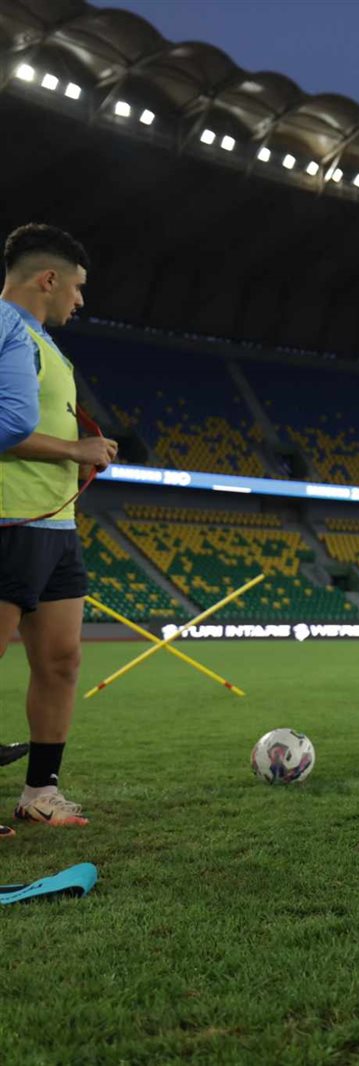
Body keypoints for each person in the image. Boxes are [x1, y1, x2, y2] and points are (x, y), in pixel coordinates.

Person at [0, 224, 116, 832]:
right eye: (77, 287)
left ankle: (40, 792)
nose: (80, 299)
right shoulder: (3, 326)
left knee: (63, 660)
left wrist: (80, 453)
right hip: (7, 517)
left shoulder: (43, 343)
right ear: (49, 279)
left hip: (54, 526)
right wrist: (75, 451)